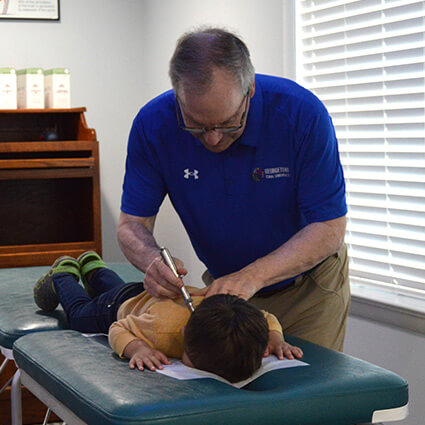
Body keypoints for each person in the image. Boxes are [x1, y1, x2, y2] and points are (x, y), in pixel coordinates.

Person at [118, 27, 350, 352]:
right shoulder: (152, 125)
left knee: (303, 395)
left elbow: (329, 228)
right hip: (227, 292)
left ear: (250, 90)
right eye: (196, 126)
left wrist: (253, 275)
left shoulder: (302, 115)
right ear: (178, 96)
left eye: (228, 124)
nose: (212, 139)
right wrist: (151, 260)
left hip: (307, 289)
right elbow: (132, 225)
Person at [33, 252, 303, 383]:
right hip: (117, 307)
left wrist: (276, 338)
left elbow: (266, 317)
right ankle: (63, 274)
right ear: (184, 333)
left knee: (115, 287)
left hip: (145, 297)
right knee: (81, 315)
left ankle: (93, 267)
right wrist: (137, 348)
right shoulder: (159, 331)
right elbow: (119, 327)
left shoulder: (244, 318)